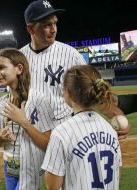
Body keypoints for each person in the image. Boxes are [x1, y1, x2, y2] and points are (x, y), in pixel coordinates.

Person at [20, 0, 131, 139]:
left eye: (54, 23)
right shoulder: (18, 59)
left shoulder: (70, 55)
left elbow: (92, 90)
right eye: (46, 25)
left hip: (65, 134)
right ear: (31, 29)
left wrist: (117, 114)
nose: (53, 29)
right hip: (30, 135)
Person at [42, 65, 123, 190]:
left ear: (68, 93)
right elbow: (118, 174)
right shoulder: (109, 129)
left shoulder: (62, 132)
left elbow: (52, 186)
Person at [0, 48, 58, 190]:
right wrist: (1, 138)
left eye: (2, 67)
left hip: (31, 166)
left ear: (19, 68)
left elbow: (49, 145)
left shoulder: (39, 100)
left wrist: (24, 123)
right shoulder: (0, 104)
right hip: (9, 165)